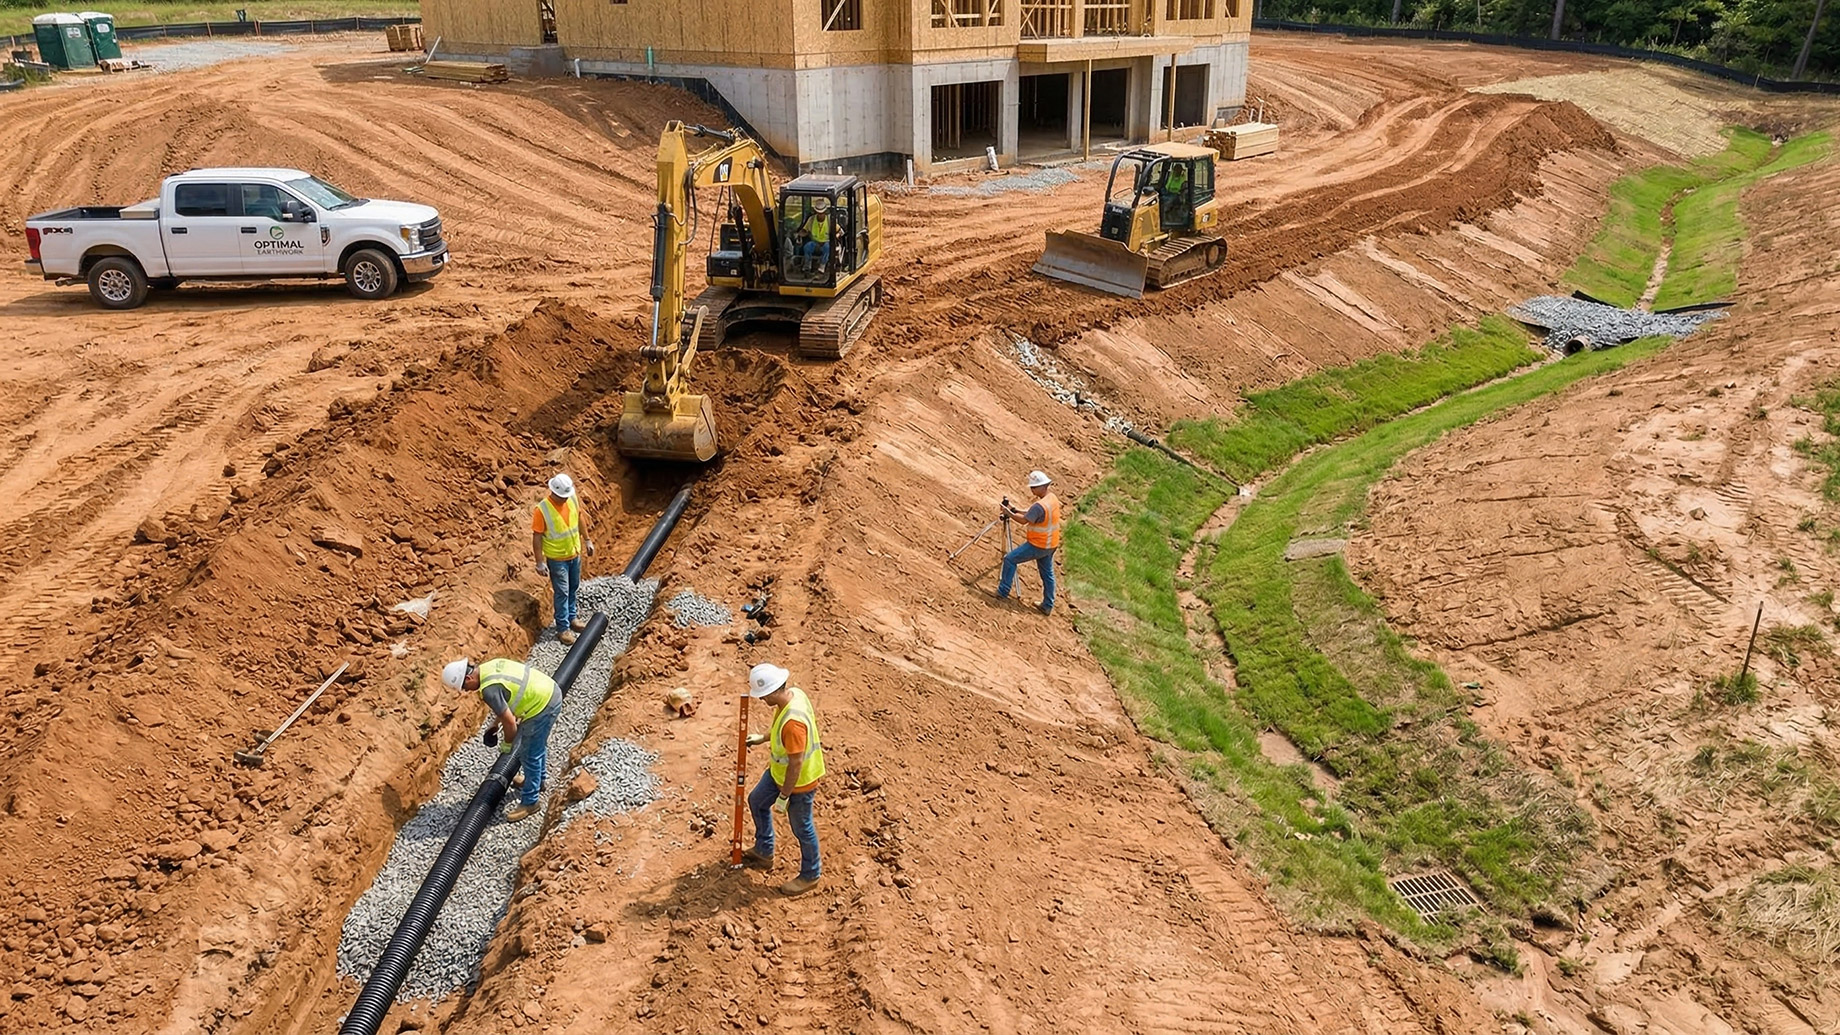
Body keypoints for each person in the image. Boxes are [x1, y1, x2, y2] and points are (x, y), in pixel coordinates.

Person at [740, 662, 825, 896]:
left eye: (763, 695)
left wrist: (784, 797)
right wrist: (763, 738)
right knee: (756, 801)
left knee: (802, 827)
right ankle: (764, 850)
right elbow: (780, 727)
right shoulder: (794, 695)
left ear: (773, 691)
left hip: (798, 784)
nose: (761, 700)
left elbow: (796, 762)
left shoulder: (794, 725)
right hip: (778, 774)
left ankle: (810, 875)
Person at [442, 656, 560, 822]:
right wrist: (495, 725)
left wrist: (507, 745)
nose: (467, 691)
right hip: (548, 690)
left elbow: (511, 722)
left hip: (542, 706)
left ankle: (531, 802)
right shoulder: (489, 667)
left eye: (464, 687)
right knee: (536, 746)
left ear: (468, 678)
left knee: (528, 753)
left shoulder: (488, 690)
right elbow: (507, 701)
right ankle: (537, 781)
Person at [532, 473, 593, 645]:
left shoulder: (571, 498)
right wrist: (539, 562)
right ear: (554, 492)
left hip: (574, 553)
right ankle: (563, 628)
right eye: (562, 497)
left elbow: (579, 518)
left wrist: (587, 539)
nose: (565, 499)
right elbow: (537, 536)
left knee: (573, 587)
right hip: (557, 558)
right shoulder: (542, 510)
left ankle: (572, 618)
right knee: (562, 592)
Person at [996, 470, 1061, 616]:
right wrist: (1013, 509)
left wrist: (1009, 514)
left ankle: (1002, 591)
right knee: (1047, 574)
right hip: (1051, 544)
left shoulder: (1039, 506)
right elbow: (1030, 512)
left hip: (1039, 544)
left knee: (1010, 559)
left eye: (1034, 487)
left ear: (1043, 486)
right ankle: (1047, 605)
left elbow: (1025, 520)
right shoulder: (1051, 498)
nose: (1032, 490)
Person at [798, 199, 831, 274]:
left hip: (826, 242)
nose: (820, 215)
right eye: (818, 213)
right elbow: (805, 230)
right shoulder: (811, 219)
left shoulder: (829, 220)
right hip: (815, 242)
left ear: (825, 212)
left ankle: (822, 266)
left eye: (822, 213)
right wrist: (800, 234)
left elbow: (839, 231)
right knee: (807, 247)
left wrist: (835, 237)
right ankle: (807, 266)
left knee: (827, 247)